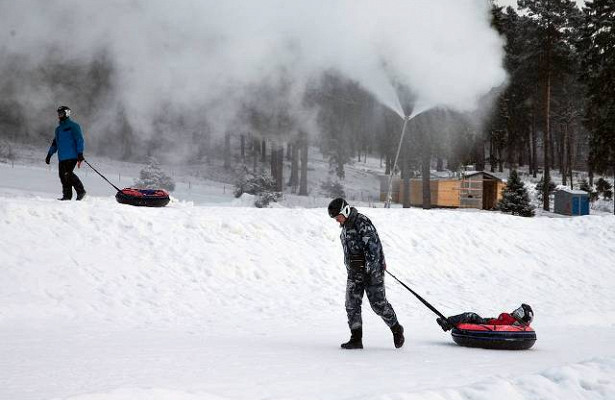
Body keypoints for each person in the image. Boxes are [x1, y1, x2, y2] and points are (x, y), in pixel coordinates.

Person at [328, 197, 404, 349]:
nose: (337, 220)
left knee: (378, 305)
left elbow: (373, 248)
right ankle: (356, 339)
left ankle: (396, 329)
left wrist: (368, 269)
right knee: (351, 304)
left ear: (345, 211)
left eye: (338, 217)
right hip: (354, 273)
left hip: (372, 272)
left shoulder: (362, 222)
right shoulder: (346, 226)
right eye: (335, 218)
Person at [45, 106, 86, 201]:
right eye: (59, 113)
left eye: (61, 113)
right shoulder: (58, 129)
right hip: (62, 157)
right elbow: (55, 143)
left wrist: (80, 153)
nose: (59, 115)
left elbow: (79, 140)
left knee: (68, 174)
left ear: (67, 113)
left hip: (72, 155)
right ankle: (67, 196)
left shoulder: (74, 126)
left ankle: (81, 191)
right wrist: (49, 155)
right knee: (63, 176)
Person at [436, 303, 534, 331]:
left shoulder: (510, 319)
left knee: (470, 315)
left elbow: (502, 315)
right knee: (471, 319)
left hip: (486, 324)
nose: (516, 311)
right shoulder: (515, 323)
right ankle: (450, 323)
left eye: (519, 311)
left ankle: (447, 322)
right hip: (490, 322)